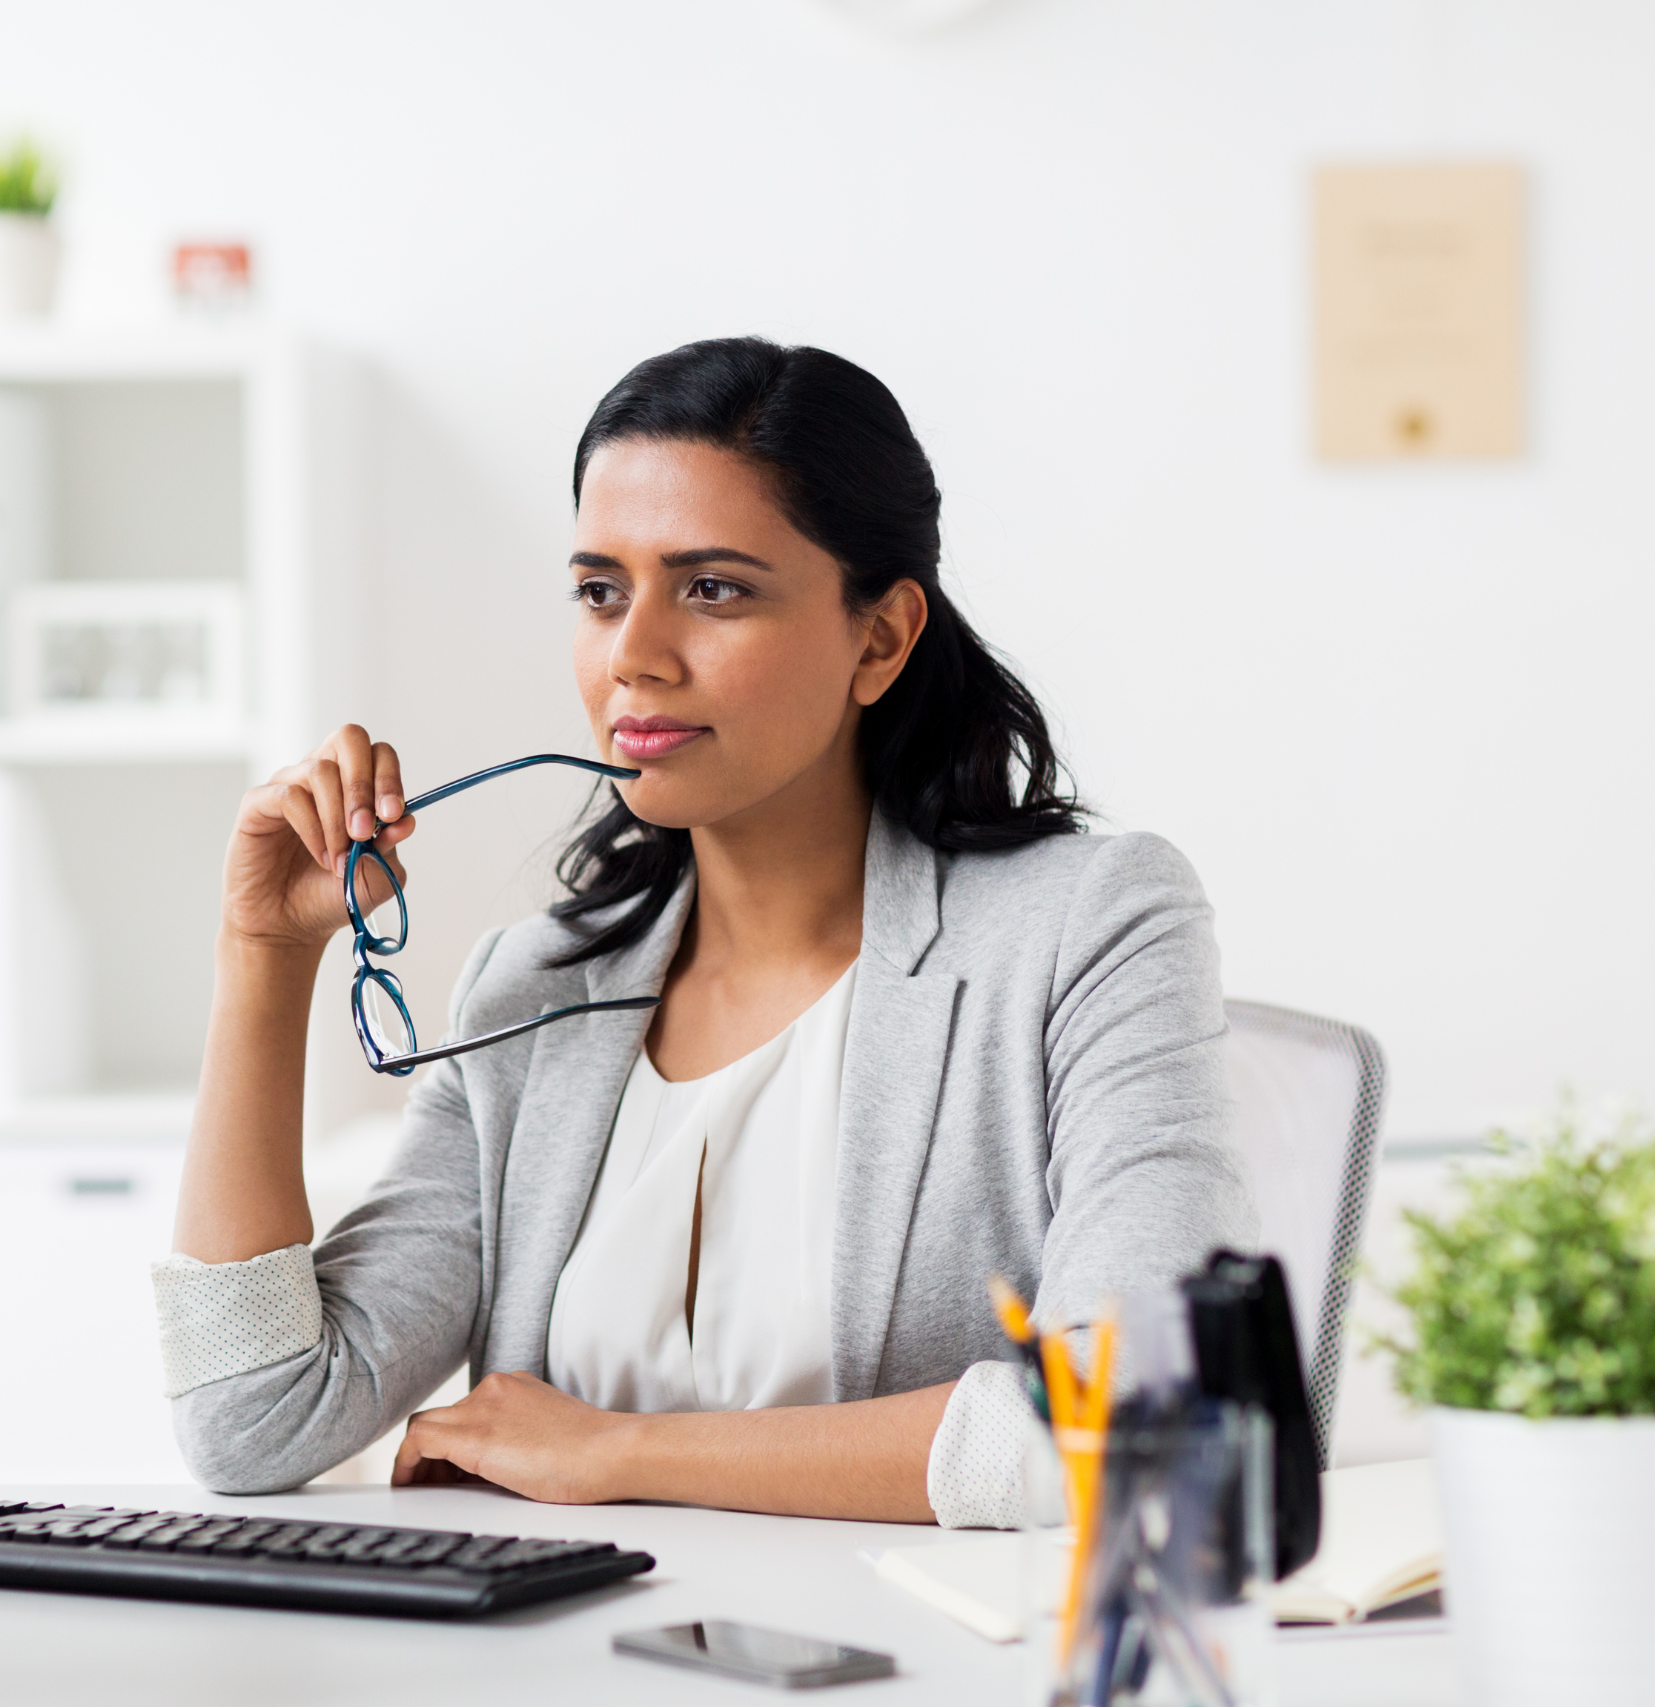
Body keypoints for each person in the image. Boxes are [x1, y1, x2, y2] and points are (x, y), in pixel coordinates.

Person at [153, 337, 1253, 1526]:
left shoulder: (1087, 928)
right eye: (599, 591)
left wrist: (621, 1452)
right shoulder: (530, 994)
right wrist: (263, 959)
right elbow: (249, 1421)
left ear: (878, 639)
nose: (633, 657)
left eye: (713, 588)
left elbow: (1142, 1422)